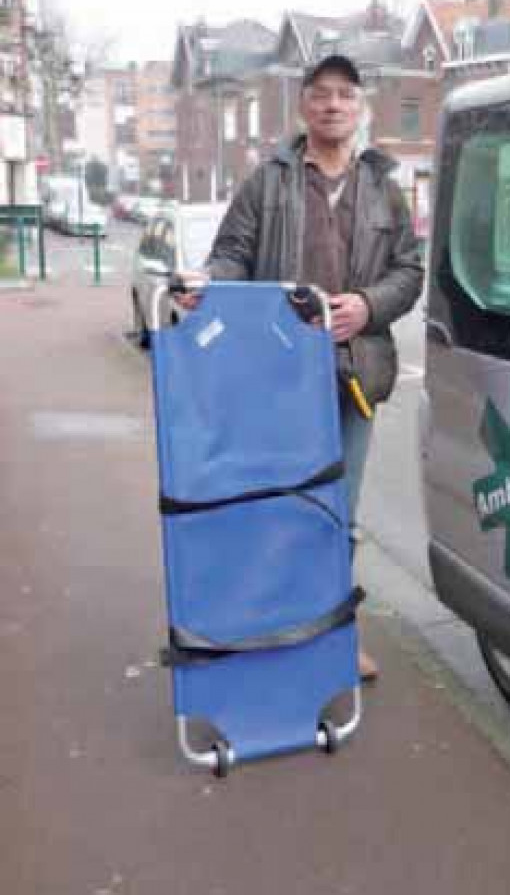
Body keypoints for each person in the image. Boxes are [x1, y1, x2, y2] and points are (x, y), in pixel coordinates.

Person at [177, 53, 424, 681]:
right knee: (274, 503)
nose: (333, 104)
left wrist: (367, 306)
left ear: (360, 106)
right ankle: (269, 629)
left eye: (345, 94)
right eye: (321, 94)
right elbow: (232, 254)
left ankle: (334, 638)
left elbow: (410, 271)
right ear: (303, 106)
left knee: (339, 513)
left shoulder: (384, 188)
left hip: (353, 376)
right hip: (276, 378)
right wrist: (208, 281)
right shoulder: (269, 181)